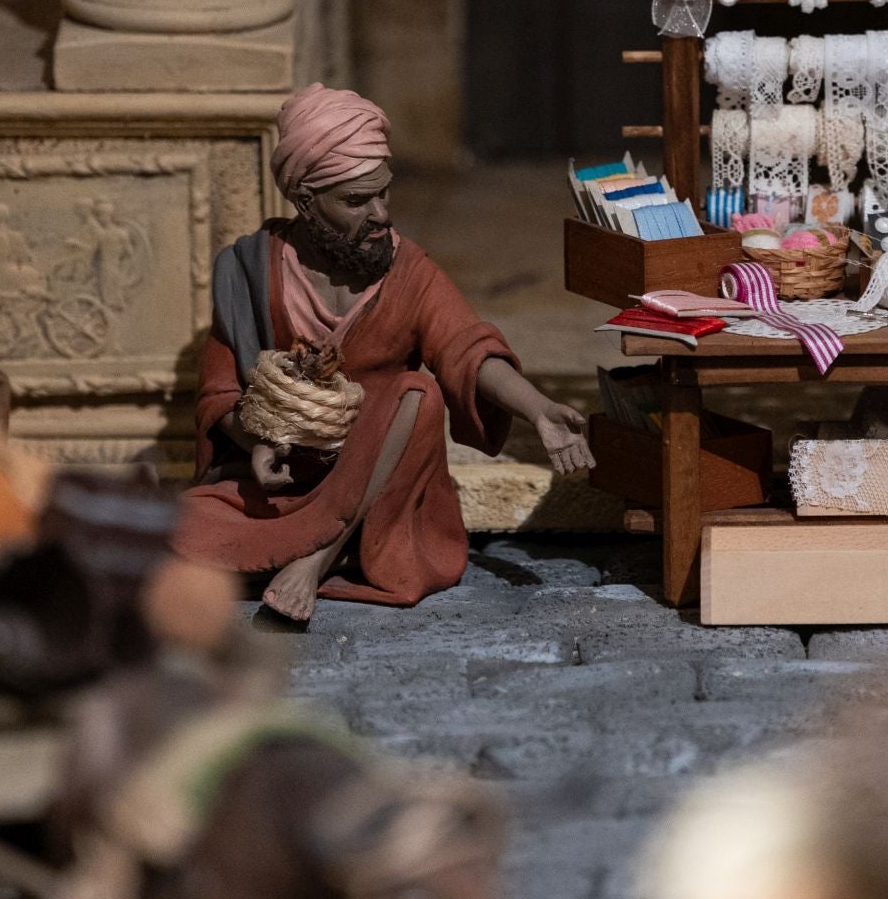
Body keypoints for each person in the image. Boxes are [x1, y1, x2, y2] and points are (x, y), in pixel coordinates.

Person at [175, 84, 594, 621]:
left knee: (416, 393)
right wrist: (259, 443)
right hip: (290, 478)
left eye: (383, 193)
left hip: (381, 476)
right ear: (306, 201)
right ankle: (321, 547)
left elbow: (466, 346)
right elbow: (220, 393)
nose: (379, 214)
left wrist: (538, 409)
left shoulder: (407, 269)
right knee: (179, 533)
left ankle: (317, 558)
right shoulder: (249, 271)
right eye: (355, 200)